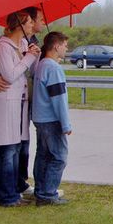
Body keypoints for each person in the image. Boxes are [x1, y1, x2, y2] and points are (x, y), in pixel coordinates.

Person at [0, 6, 45, 199]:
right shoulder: (3, 46)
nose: (33, 24)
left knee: (16, 147)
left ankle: (11, 188)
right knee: (7, 148)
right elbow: (11, 75)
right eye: (29, 21)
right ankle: (6, 194)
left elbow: (29, 70)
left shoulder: (22, 43)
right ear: (19, 25)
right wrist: (29, 57)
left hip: (20, 101)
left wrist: (34, 56)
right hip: (7, 102)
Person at [32, 31, 71, 206]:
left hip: (40, 118)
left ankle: (40, 191)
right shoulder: (53, 68)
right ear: (56, 46)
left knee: (43, 155)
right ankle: (48, 194)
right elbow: (59, 99)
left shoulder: (41, 65)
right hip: (51, 119)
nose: (66, 48)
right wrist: (66, 124)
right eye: (65, 45)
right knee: (59, 157)